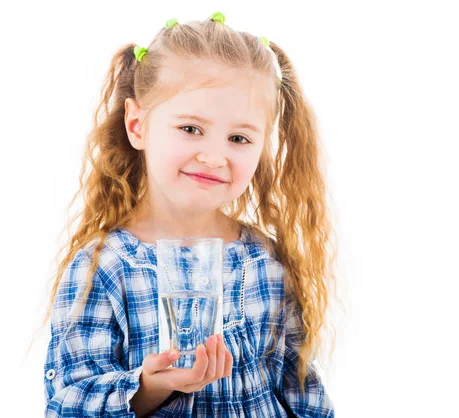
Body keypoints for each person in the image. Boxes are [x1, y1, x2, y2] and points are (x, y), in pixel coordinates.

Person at [43, 12, 337, 417]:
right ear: (138, 124)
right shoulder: (105, 267)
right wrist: (147, 388)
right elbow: (67, 403)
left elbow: (302, 392)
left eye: (238, 138)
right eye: (190, 129)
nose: (214, 156)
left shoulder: (268, 261)